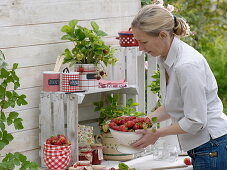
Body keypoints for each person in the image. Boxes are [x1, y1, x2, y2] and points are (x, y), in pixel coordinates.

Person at [130, 4, 227, 170]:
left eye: (143, 41)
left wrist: (156, 134)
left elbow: (196, 121)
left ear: (162, 35)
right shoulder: (166, 59)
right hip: (204, 147)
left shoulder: (187, 65)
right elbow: (174, 105)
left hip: (212, 146)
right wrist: (145, 121)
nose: (140, 48)